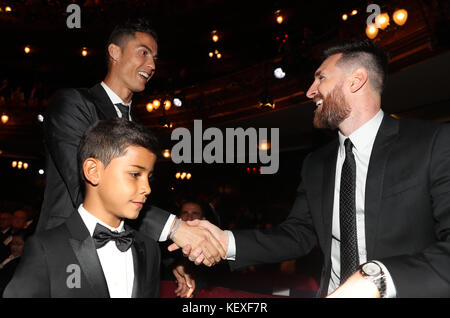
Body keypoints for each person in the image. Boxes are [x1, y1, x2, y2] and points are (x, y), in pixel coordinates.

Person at [182, 40, 450, 297]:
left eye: (320, 78)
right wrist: (226, 241)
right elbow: (297, 235)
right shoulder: (316, 163)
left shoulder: (433, 143)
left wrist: (377, 280)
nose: (310, 91)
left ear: (356, 81)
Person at [36, 18, 224, 266]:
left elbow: (137, 202)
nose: (151, 65)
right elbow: (85, 186)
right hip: (66, 252)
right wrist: (175, 227)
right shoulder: (74, 104)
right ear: (114, 52)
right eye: (143, 53)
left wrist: (172, 260)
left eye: (155, 58)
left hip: (119, 260)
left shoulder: (139, 129)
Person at [4, 118, 163, 297]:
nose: (147, 188)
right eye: (135, 174)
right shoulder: (46, 248)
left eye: (149, 177)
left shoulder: (149, 249)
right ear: (93, 171)